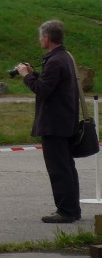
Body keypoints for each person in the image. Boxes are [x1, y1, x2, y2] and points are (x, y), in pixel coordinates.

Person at [16, 19, 81, 224]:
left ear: (46, 37)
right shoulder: (65, 57)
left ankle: (65, 211)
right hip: (65, 120)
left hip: (54, 123)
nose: (39, 40)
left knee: (58, 169)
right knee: (67, 167)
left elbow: (42, 89)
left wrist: (26, 76)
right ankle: (72, 209)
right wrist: (35, 74)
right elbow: (51, 83)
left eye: (40, 36)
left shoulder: (54, 61)